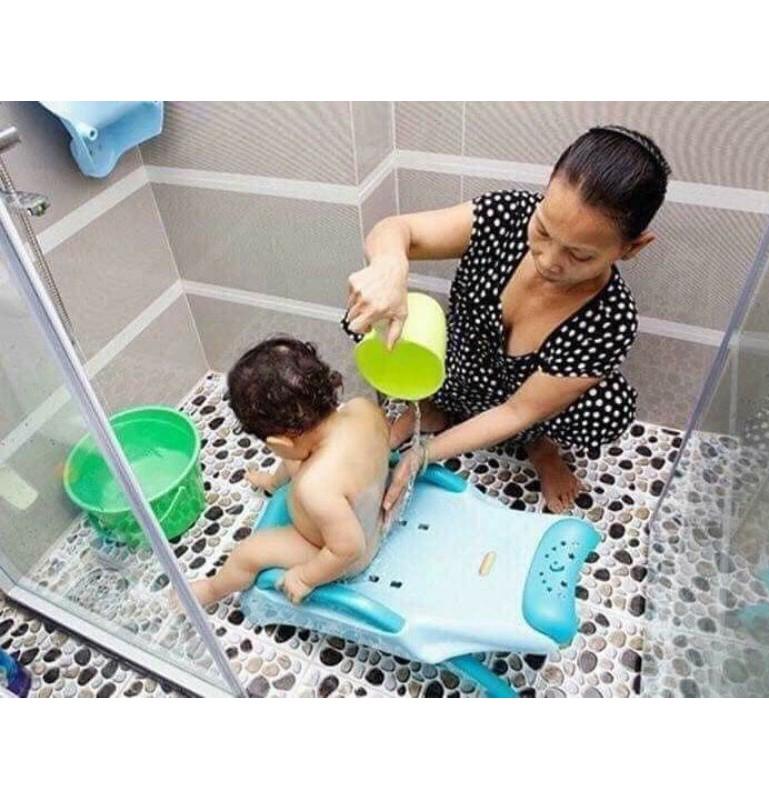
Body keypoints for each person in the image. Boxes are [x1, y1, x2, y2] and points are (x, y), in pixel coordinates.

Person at [345, 125, 671, 514]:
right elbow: (398, 230)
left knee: (609, 407)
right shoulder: (507, 215)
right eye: (543, 229)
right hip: (457, 365)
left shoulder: (611, 320)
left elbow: (517, 411)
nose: (548, 260)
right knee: (367, 313)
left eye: (579, 255)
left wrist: (422, 455)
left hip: (520, 403)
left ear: (632, 248)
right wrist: (389, 269)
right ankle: (434, 407)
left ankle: (538, 446)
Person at [188, 337, 390, 606]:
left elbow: (350, 548)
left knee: (249, 553)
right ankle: (274, 483)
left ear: (278, 443)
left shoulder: (315, 486)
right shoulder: (362, 408)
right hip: (371, 512)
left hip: (345, 556)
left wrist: (306, 577)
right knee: (301, 454)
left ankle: (212, 590)